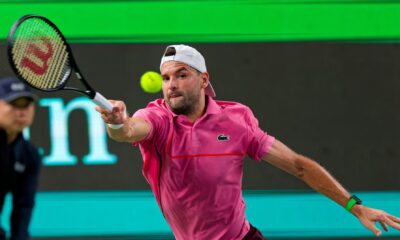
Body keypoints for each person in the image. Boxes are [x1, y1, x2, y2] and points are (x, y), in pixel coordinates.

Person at [96, 44, 400, 240]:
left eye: (181, 75)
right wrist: (116, 122)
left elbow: (298, 166)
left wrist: (355, 207)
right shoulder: (159, 119)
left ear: (203, 80)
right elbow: (130, 130)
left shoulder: (236, 120)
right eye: (165, 78)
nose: (171, 85)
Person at [0, 77, 41, 240]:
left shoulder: (29, 154)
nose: (21, 112)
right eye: (14, 104)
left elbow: (23, 206)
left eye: (26, 105)